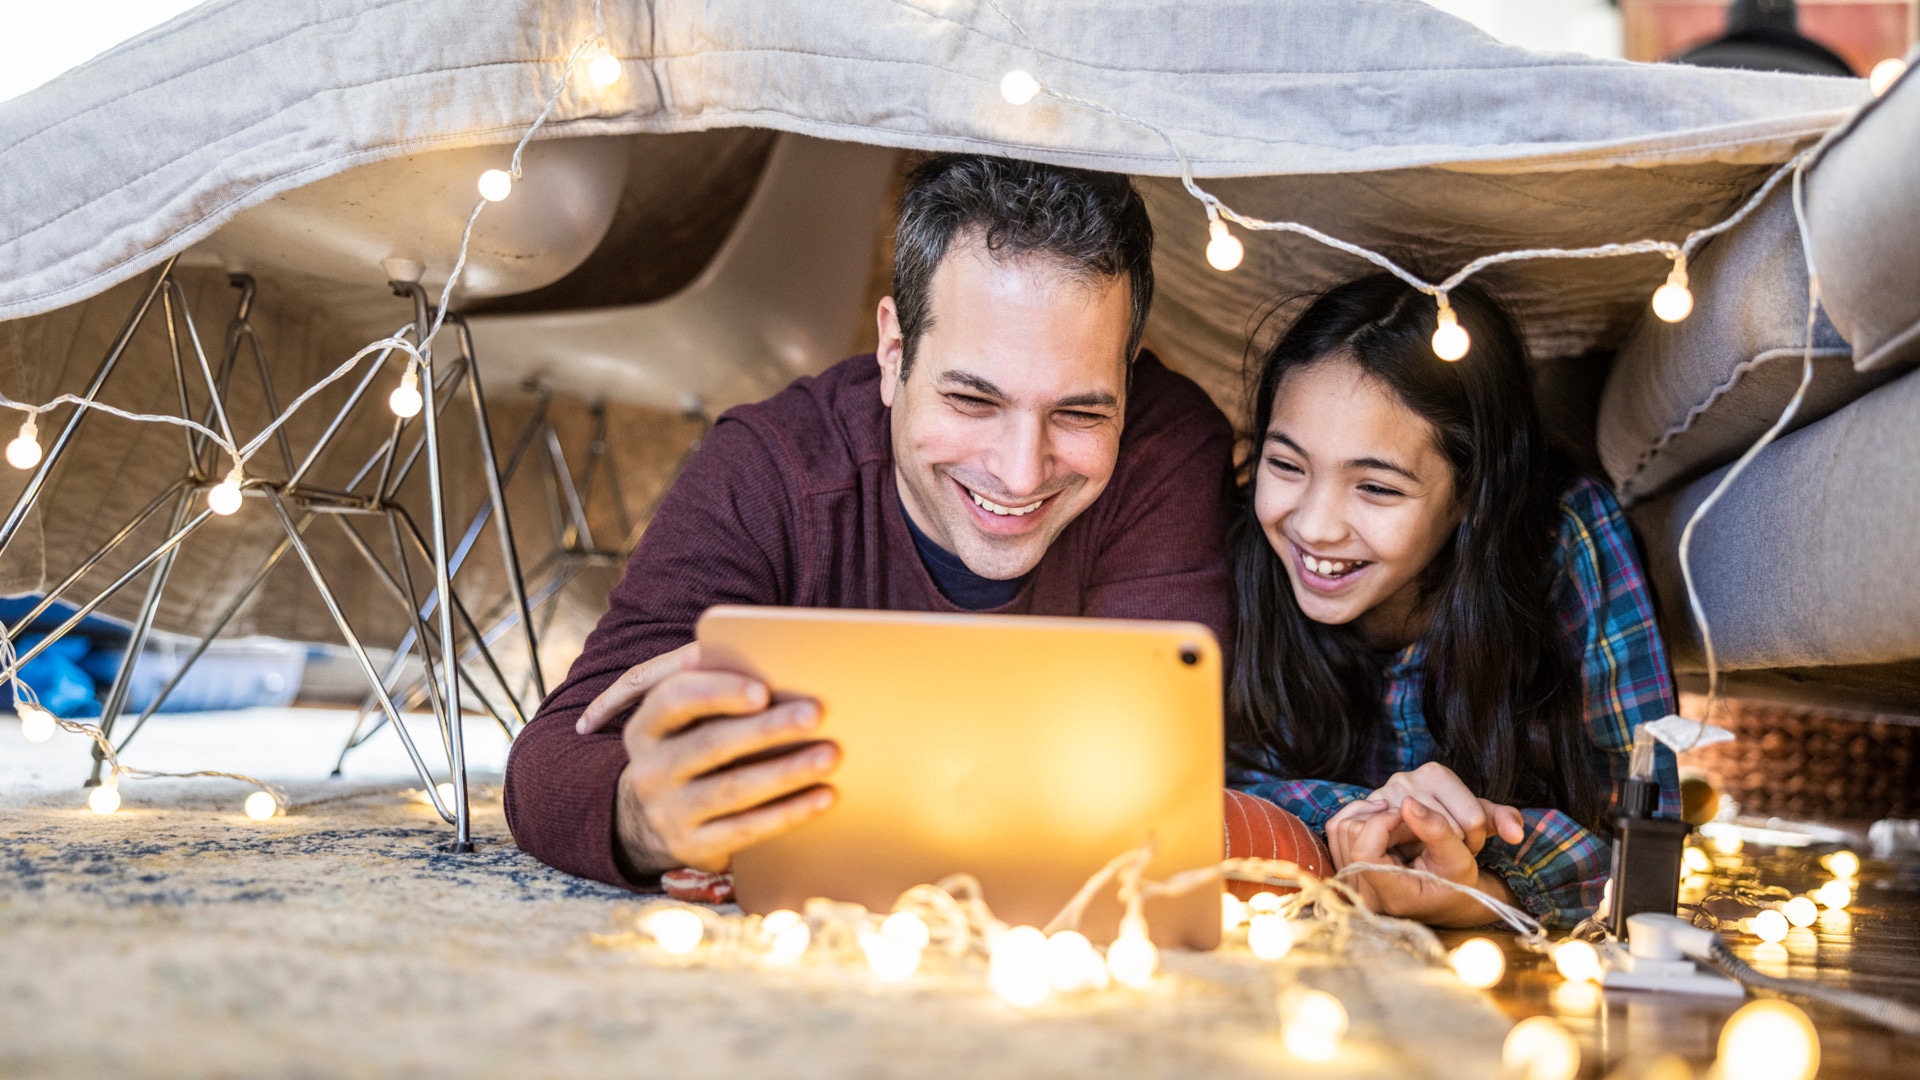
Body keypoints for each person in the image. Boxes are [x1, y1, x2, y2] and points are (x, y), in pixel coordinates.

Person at [503, 154, 1236, 889]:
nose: (1020, 472)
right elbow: (554, 761)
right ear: (894, 352)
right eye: (972, 401)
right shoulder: (773, 464)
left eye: (1079, 412)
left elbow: (1150, 783)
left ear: (1127, 376)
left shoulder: (1165, 448)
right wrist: (642, 813)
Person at [1226, 274, 1679, 928]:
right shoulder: (1241, 542)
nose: (1316, 525)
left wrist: (1475, 891)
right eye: (1288, 466)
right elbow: (1213, 793)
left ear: (1472, 492)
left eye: (1377, 488)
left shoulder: (1568, 540)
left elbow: (1645, 858)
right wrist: (1403, 821)